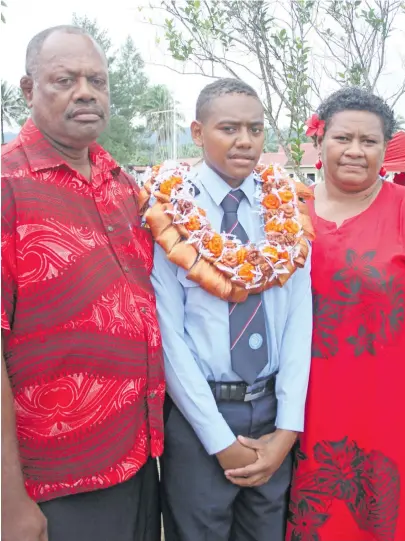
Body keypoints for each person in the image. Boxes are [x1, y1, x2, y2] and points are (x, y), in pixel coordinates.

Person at [1, 26, 164, 541]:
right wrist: (10, 505)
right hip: (53, 483)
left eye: (97, 79)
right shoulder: (8, 186)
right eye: (65, 79)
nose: (86, 91)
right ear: (29, 91)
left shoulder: (121, 183)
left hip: (137, 457)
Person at [150, 78, 312, 541]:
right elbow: (169, 335)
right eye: (229, 128)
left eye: (256, 129)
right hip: (200, 416)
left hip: (270, 412)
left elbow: (300, 321)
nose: (245, 141)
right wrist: (218, 441)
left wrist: (287, 429)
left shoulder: (286, 207)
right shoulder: (171, 210)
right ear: (198, 133)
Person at [286, 87, 405, 541]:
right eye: (343, 138)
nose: (356, 152)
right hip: (298, 410)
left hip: (389, 409)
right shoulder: (285, 211)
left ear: (385, 147)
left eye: (370, 141)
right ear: (319, 141)